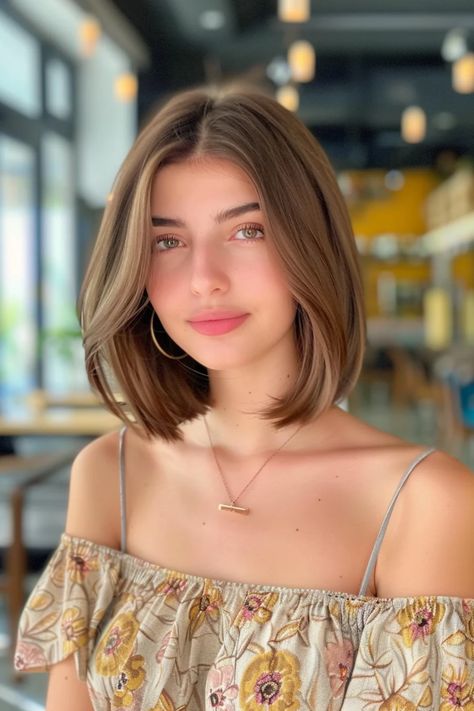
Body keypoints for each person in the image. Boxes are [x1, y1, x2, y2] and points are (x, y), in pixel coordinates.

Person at [15, 85, 474, 710]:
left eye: (247, 230)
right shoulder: (110, 474)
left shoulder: (423, 503)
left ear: (311, 243)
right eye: (168, 241)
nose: (204, 278)